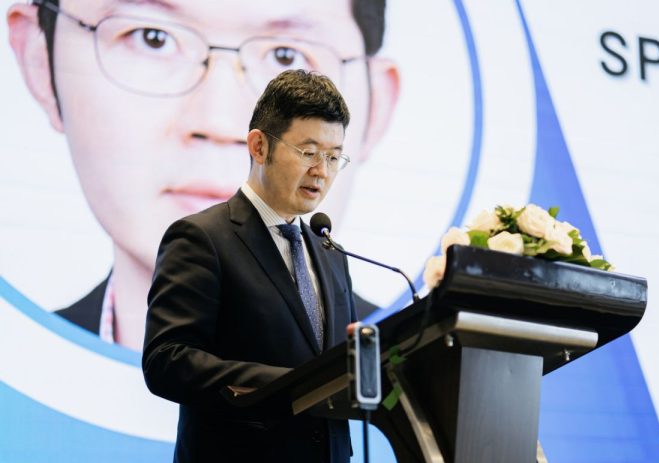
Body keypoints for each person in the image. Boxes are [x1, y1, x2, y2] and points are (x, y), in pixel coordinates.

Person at [7, 0, 398, 350]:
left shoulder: (333, 262)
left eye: (285, 55)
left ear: (377, 106)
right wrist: (270, 386)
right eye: (153, 38)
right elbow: (170, 364)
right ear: (40, 61)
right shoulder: (28, 359)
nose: (219, 122)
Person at [143, 70, 357, 463]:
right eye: (308, 152)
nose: (322, 171)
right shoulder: (202, 238)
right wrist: (292, 388)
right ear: (259, 146)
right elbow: (167, 360)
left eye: (334, 157)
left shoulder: (331, 254)